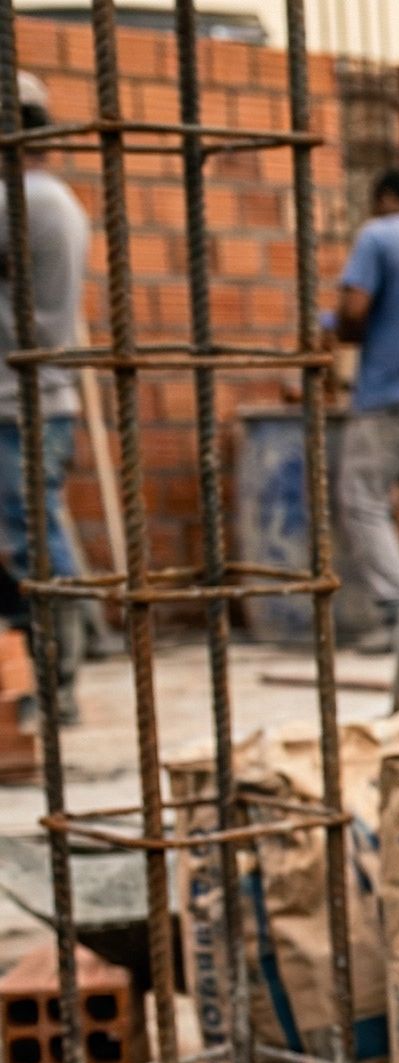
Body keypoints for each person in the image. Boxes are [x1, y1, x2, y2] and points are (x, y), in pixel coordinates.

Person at [0, 71, 90, 715]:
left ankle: (56, 680)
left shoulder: (20, 200)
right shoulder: (55, 197)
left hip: (18, 400)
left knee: (34, 540)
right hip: (37, 396)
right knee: (36, 532)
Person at [330, 166, 399, 645]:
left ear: (386, 197)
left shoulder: (377, 236)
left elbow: (354, 311)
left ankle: (397, 611)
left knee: (362, 497)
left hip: (386, 393)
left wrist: (337, 330)